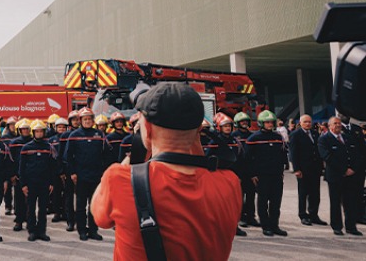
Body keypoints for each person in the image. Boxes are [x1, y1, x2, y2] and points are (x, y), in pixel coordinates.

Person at [92, 83, 241, 261]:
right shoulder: (230, 183)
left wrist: (135, 152)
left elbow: (99, 216)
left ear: (146, 127)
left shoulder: (119, 179)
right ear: (199, 131)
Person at [64, 107, 109, 241]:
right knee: (81, 205)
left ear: (93, 120)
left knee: (94, 205)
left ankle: (93, 230)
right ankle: (82, 230)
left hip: (96, 175)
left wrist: (104, 172)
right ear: (80, 120)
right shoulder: (74, 135)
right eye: (85, 119)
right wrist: (72, 173)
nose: (87, 121)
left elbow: (106, 155)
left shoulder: (99, 135)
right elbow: (68, 156)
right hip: (80, 176)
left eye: (89, 119)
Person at [318, 116, 363, 236]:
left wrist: (353, 168)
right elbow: (327, 157)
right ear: (330, 126)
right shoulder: (324, 140)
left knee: (350, 202)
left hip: (350, 176)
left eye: (339, 123)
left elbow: (357, 155)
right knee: (335, 202)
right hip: (335, 176)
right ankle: (337, 226)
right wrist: (344, 169)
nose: (338, 125)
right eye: (335, 123)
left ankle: (351, 227)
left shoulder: (348, 138)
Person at [246, 110, 288, 237]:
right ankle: (266, 226)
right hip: (261, 176)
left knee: (276, 202)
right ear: (261, 123)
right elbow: (248, 159)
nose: (270, 124)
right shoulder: (253, 138)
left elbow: (282, 155)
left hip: (276, 175)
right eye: (267, 122)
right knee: (263, 201)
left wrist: (281, 171)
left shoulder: (278, 137)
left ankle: (275, 226)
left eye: (271, 122)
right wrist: (252, 174)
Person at [206, 113, 248, 237]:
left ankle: (234, 226)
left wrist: (240, 175)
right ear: (219, 127)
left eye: (229, 126)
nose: (228, 129)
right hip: (219, 176)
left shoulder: (235, 141)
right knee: (220, 203)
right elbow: (208, 158)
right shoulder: (214, 142)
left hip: (233, 176)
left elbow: (240, 159)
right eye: (225, 126)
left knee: (234, 203)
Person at [20, 120, 57, 242]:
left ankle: (42, 231)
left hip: (44, 183)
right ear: (33, 132)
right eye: (37, 131)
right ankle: (32, 231)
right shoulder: (26, 148)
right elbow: (22, 168)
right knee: (30, 208)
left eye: (41, 131)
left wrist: (51, 182)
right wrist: (23, 184)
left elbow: (52, 166)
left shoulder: (49, 147)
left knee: (42, 208)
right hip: (30, 183)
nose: (39, 133)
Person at [288, 114, 327, 226]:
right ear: (300, 123)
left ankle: (313, 215)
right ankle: (303, 215)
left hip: (315, 169)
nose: (308, 124)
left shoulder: (315, 134)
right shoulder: (295, 135)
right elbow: (293, 153)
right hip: (303, 170)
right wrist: (296, 169)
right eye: (305, 122)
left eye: (309, 122)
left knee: (315, 193)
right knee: (303, 193)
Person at [231, 111, 259, 228]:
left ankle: (251, 217)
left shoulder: (252, 135)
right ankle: (241, 217)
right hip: (239, 170)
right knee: (239, 196)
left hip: (251, 170)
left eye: (246, 121)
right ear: (237, 123)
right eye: (242, 122)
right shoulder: (233, 137)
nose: (244, 123)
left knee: (251, 195)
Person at [338, 114, 366, 225]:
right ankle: (350, 216)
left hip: (358, 168)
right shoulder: (338, 128)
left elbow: (363, 149)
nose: (344, 116)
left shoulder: (356, 129)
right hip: (346, 169)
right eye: (342, 114)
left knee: (358, 193)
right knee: (347, 195)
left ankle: (359, 215)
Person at [9, 119, 32, 232]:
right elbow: (11, 160)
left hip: (31, 176)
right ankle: (19, 221)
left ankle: (30, 220)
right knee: (18, 200)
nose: (25, 131)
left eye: (27, 129)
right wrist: (12, 174)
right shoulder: (14, 143)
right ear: (19, 130)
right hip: (18, 176)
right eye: (23, 129)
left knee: (30, 200)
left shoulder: (34, 141)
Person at [59, 110, 80, 232]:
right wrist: (61, 171)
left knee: (81, 197)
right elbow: (61, 154)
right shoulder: (65, 136)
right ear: (70, 122)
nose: (76, 121)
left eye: (78, 119)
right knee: (69, 197)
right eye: (74, 119)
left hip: (81, 170)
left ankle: (81, 219)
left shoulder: (84, 134)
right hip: (68, 170)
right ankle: (70, 221)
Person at [48, 117, 68, 223]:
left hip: (67, 170)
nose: (61, 129)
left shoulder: (69, 138)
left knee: (66, 193)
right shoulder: (51, 140)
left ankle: (65, 212)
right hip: (55, 171)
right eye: (59, 127)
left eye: (63, 127)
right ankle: (57, 213)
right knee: (56, 193)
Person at [0, 116, 18, 215]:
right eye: (11, 125)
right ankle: (8, 206)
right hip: (7, 164)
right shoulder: (4, 138)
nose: (13, 127)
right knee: (7, 187)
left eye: (15, 124)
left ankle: (17, 206)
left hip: (17, 164)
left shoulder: (19, 137)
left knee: (17, 187)